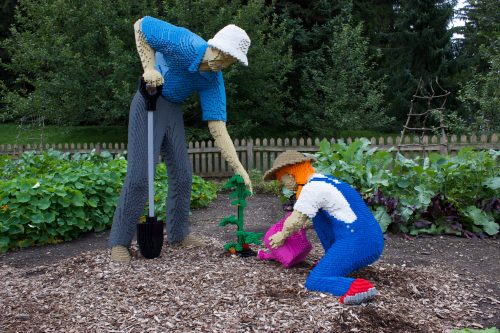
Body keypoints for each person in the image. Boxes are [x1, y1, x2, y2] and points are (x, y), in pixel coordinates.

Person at [109, 16, 253, 262]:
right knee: (140, 176)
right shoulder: (184, 43)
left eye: (230, 61)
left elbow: (218, 127)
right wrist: (149, 68)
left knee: (184, 175)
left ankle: (178, 234)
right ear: (216, 46)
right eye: (225, 56)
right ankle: (119, 243)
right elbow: (141, 25)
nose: (224, 64)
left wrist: (239, 168)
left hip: (172, 110)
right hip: (149, 100)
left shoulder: (213, 79)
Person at [263, 151, 384, 304]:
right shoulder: (326, 180)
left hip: (358, 241)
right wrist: (304, 226)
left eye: (282, 179)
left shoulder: (312, 188)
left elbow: (295, 220)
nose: (283, 184)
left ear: (291, 172)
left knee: (316, 280)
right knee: (326, 264)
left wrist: (282, 235)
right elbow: (330, 216)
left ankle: (359, 287)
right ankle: (334, 263)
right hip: (368, 238)